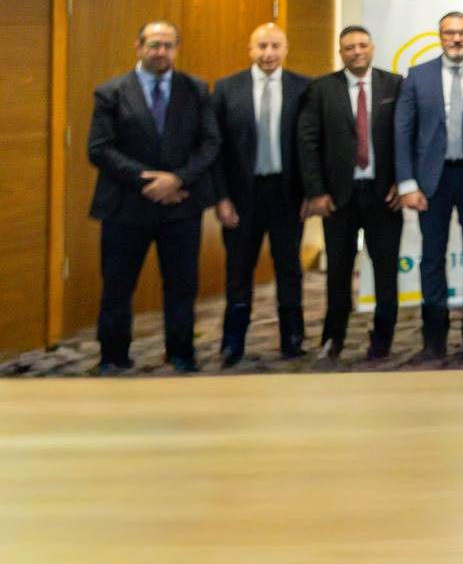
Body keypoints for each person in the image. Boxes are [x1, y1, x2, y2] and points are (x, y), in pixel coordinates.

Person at [87, 20, 220, 373]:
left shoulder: (195, 89)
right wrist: (150, 182)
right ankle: (113, 356)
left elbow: (210, 144)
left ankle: (180, 353)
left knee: (182, 288)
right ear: (138, 47)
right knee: (117, 288)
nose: (161, 52)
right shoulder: (111, 92)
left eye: (168, 45)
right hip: (125, 207)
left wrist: (176, 180)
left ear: (176, 49)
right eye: (154, 45)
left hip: (181, 207)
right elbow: (99, 148)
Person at [395, 11, 463, 359]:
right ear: (440, 36)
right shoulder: (417, 76)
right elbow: (403, 131)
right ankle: (434, 338)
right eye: (449, 33)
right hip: (431, 180)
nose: (456, 39)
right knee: (431, 257)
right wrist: (407, 183)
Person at [298, 25, 405, 361]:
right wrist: (316, 192)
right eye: (349, 47)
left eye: (362, 45)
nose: (356, 51)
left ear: (372, 48)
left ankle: (383, 340)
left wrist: (403, 182)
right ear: (340, 52)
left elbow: (407, 136)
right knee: (338, 272)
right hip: (338, 198)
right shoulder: (321, 89)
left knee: (386, 271)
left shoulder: (395, 85)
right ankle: (333, 338)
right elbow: (308, 143)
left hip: (384, 196)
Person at [210, 23, 310, 365]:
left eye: (275, 46)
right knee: (239, 270)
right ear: (250, 49)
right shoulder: (226, 88)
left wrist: (312, 192)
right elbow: (215, 149)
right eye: (262, 46)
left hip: (287, 195)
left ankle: (293, 340)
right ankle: (233, 342)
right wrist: (221, 198)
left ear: (286, 49)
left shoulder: (303, 88)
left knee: (289, 268)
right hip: (241, 197)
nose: (268, 53)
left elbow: (311, 146)